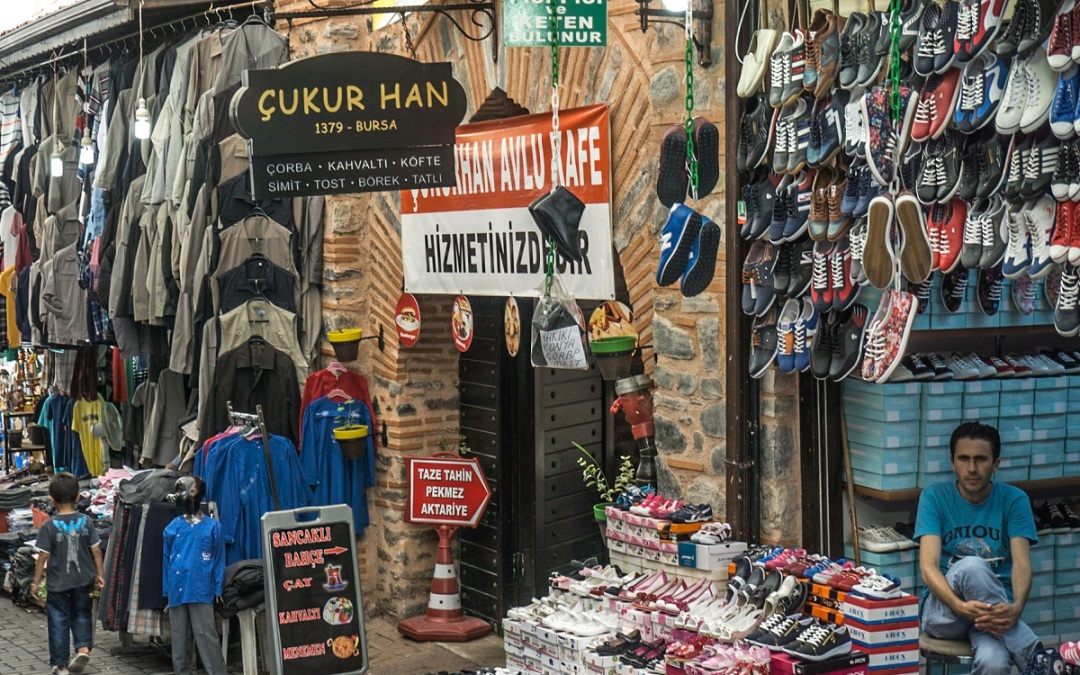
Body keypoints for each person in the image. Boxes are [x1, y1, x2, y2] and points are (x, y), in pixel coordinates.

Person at [915, 421, 1043, 675]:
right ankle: (1035, 657)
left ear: (996, 463)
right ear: (952, 462)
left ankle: (1035, 660)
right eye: (963, 459)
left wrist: (1015, 608)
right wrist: (959, 605)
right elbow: (928, 567)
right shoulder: (934, 497)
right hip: (945, 612)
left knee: (993, 662)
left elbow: (1022, 564)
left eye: (981, 459)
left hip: (993, 616)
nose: (972, 468)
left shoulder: (1014, 499)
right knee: (972, 565)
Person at [31, 472, 104, 675]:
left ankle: (61, 665)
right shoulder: (86, 521)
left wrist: (36, 583)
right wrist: (100, 574)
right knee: (82, 613)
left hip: (57, 582)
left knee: (58, 620)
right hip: (83, 579)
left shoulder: (48, 526)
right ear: (78, 497)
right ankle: (82, 648)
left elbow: (43, 557)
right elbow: (96, 550)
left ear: (51, 500)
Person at [163, 475, 226, 675]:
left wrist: (218, 588)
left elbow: (218, 560)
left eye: (180, 489)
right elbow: (166, 561)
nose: (175, 494)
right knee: (179, 641)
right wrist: (168, 591)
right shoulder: (172, 528)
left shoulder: (213, 527)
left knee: (206, 636)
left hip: (201, 588)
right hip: (178, 588)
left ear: (193, 493)